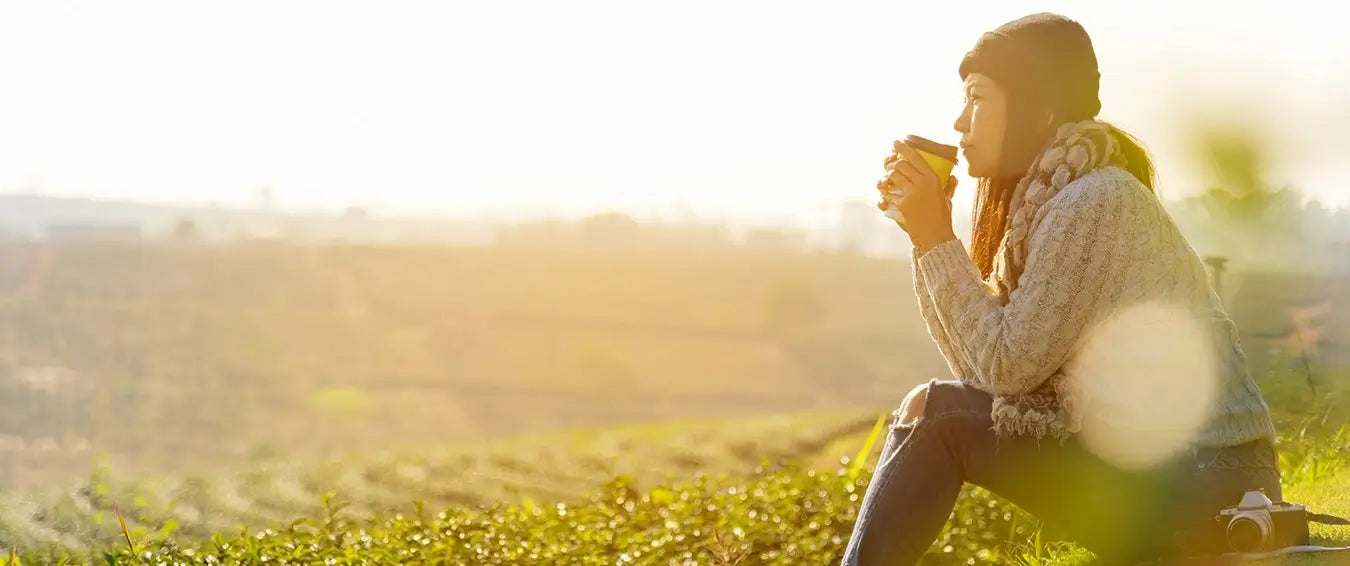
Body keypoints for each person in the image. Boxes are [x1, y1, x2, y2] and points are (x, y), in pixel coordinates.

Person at [842, 13, 1281, 565]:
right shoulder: (1053, 203)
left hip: (1213, 490)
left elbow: (1005, 369)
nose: (959, 122)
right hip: (1179, 478)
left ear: (1039, 107)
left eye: (977, 97)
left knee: (936, 414)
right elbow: (982, 373)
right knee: (935, 409)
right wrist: (925, 239)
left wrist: (935, 239)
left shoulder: (1095, 201)